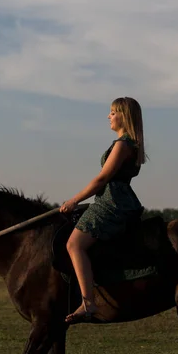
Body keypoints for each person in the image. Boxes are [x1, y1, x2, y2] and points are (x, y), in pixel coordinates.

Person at [59, 96, 147, 324]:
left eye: (113, 112)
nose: (108, 116)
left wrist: (74, 200)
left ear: (124, 116)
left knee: (73, 244)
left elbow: (102, 179)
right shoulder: (129, 144)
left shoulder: (123, 145)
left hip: (111, 202)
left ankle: (88, 302)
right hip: (118, 199)